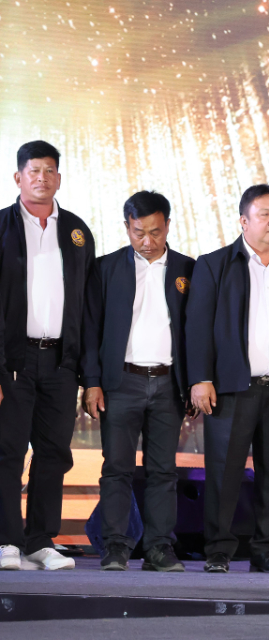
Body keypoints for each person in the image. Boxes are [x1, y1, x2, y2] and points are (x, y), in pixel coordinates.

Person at [186, 184, 269, 574]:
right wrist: (200, 378)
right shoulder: (214, 264)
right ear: (244, 221)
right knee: (224, 471)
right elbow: (197, 326)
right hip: (231, 388)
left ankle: (266, 550)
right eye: (264, 214)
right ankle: (218, 550)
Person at [81, 191, 195, 572]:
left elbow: (196, 332)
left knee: (163, 470)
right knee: (116, 467)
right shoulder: (106, 268)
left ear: (168, 226)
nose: (147, 241)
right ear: (127, 227)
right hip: (121, 383)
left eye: (155, 232)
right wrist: (92, 381)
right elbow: (90, 329)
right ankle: (115, 545)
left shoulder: (188, 269)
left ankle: (160, 547)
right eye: (138, 232)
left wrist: (194, 382)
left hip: (168, 384)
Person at [0, 141, 96, 571]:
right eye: (33, 170)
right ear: (18, 177)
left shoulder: (76, 231)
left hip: (60, 361)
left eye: (49, 171)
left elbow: (87, 306)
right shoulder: (2, 226)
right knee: (7, 450)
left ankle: (40, 540)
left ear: (59, 178)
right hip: (12, 361)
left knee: (54, 451)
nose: (42, 178)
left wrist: (87, 373)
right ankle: (6, 540)